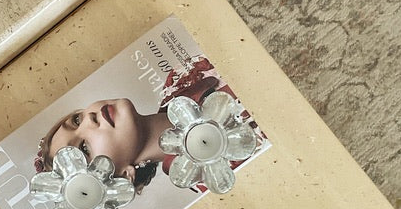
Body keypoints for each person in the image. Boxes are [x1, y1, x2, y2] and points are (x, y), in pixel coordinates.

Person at [34, 55, 261, 192]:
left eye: (76, 120)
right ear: (123, 176)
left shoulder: (180, 79)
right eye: (84, 149)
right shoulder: (210, 177)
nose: (88, 120)